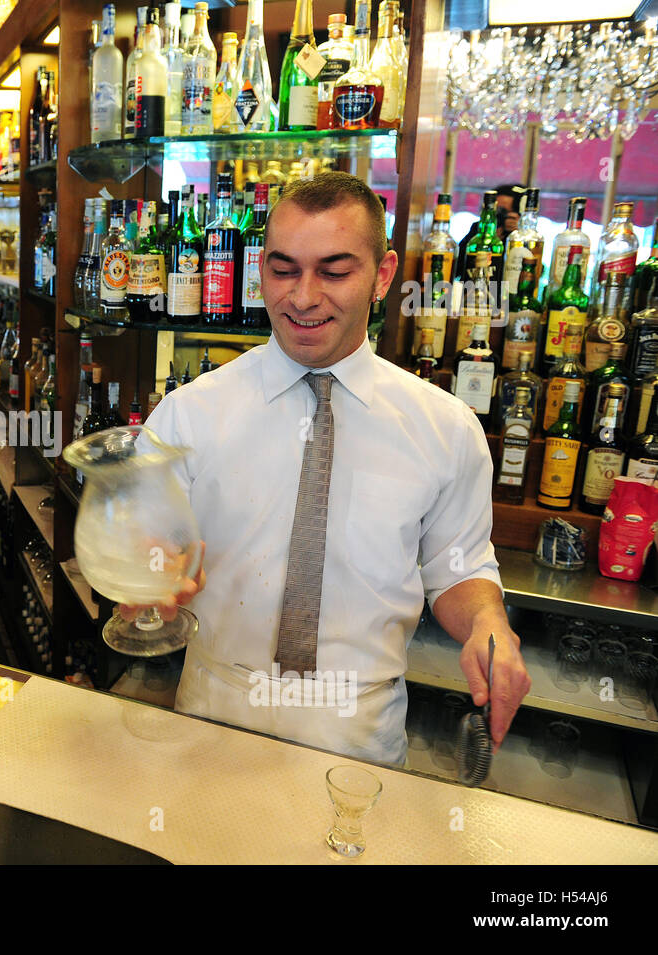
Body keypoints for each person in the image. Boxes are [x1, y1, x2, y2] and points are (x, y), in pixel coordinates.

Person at [134, 171, 532, 766]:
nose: (301, 296)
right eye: (283, 268)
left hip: (358, 729)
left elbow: (459, 569)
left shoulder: (444, 428)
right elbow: (142, 553)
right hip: (214, 709)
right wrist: (139, 585)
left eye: (335, 271)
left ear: (384, 275)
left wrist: (486, 625)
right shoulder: (188, 414)